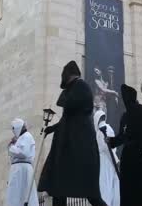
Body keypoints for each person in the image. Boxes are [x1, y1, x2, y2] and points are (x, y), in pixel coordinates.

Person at [38, 61, 106, 206]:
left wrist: (66, 93)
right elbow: (66, 118)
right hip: (67, 150)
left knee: (92, 195)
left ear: (68, 74)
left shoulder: (81, 86)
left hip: (79, 149)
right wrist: (52, 129)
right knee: (58, 190)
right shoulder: (74, 89)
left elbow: (67, 104)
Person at [6, 118, 38, 206]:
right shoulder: (21, 138)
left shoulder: (27, 136)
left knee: (22, 194)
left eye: (13, 129)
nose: (13, 131)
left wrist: (11, 147)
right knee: (15, 194)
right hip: (18, 169)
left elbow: (23, 153)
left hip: (22, 169)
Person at [94, 110, 120, 206]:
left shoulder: (102, 130)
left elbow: (108, 148)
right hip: (108, 161)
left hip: (106, 161)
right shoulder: (108, 128)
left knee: (105, 187)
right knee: (109, 186)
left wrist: (116, 160)